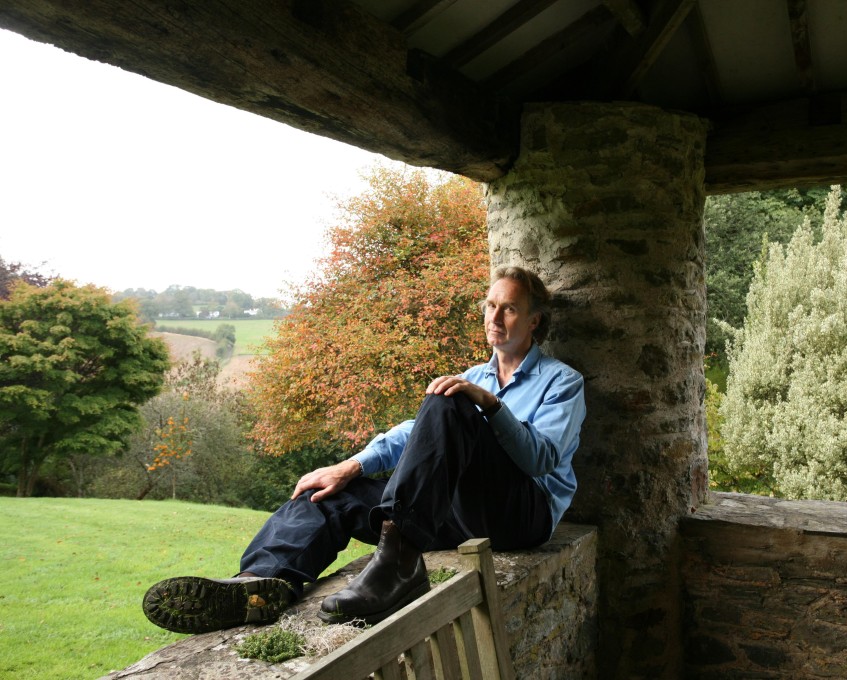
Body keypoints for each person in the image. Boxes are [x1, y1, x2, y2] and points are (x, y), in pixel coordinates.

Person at [143, 266, 586, 634]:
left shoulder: (562, 381)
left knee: (450, 400)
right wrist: (350, 465)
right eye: (491, 305)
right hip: (453, 512)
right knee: (329, 493)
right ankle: (260, 584)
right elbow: (415, 435)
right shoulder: (474, 374)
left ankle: (399, 567)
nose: (495, 317)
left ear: (533, 321)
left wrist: (488, 405)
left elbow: (539, 460)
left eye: (509, 308)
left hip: (520, 515)